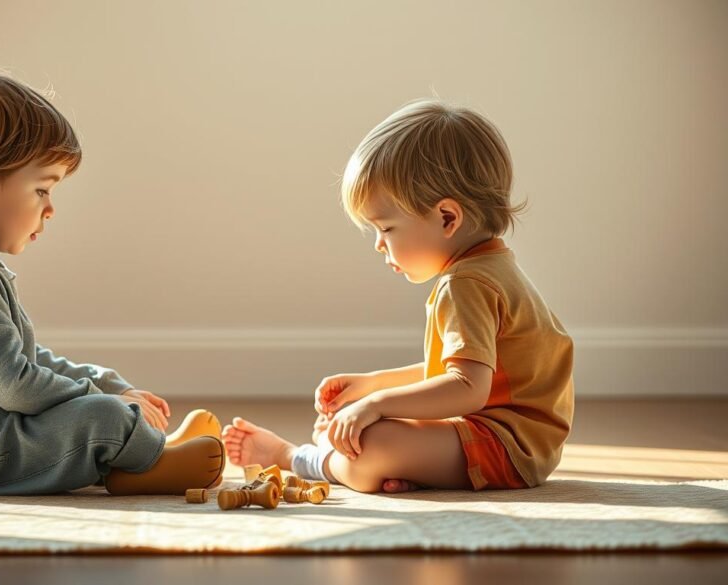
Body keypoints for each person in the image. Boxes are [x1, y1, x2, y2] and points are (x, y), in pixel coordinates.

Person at [0, 61, 224, 497]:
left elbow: (26, 359)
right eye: (43, 189)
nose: (50, 208)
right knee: (100, 416)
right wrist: (107, 401)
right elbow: (15, 385)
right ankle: (150, 461)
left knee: (97, 407)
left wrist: (109, 382)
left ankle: (141, 451)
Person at [223, 99, 573, 493]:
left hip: (506, 448)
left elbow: (467, 388)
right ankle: (397, 464)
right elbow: (465, 370)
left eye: (386, 229)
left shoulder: (465, 284)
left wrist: (377, 404)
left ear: (447, 218)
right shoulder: (493, 267)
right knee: (369, 429)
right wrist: (372, 384)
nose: (378, 245)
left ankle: (298, 458)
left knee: (373, 442)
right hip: (516, 439)